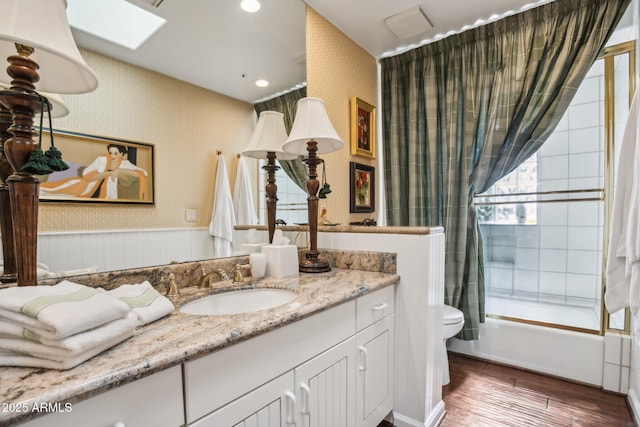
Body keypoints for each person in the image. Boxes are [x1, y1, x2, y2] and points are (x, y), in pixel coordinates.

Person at [40, 144, 148, 200]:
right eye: (110, 153)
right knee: (52, 190)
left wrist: (119, 171)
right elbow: (88, 176)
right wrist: (110, 173)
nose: (113, 156)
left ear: (122, 154)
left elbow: (142, 173)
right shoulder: (101, 160)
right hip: (85, 186)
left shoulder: (125, 163)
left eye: (116, 153)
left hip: (105, 193)